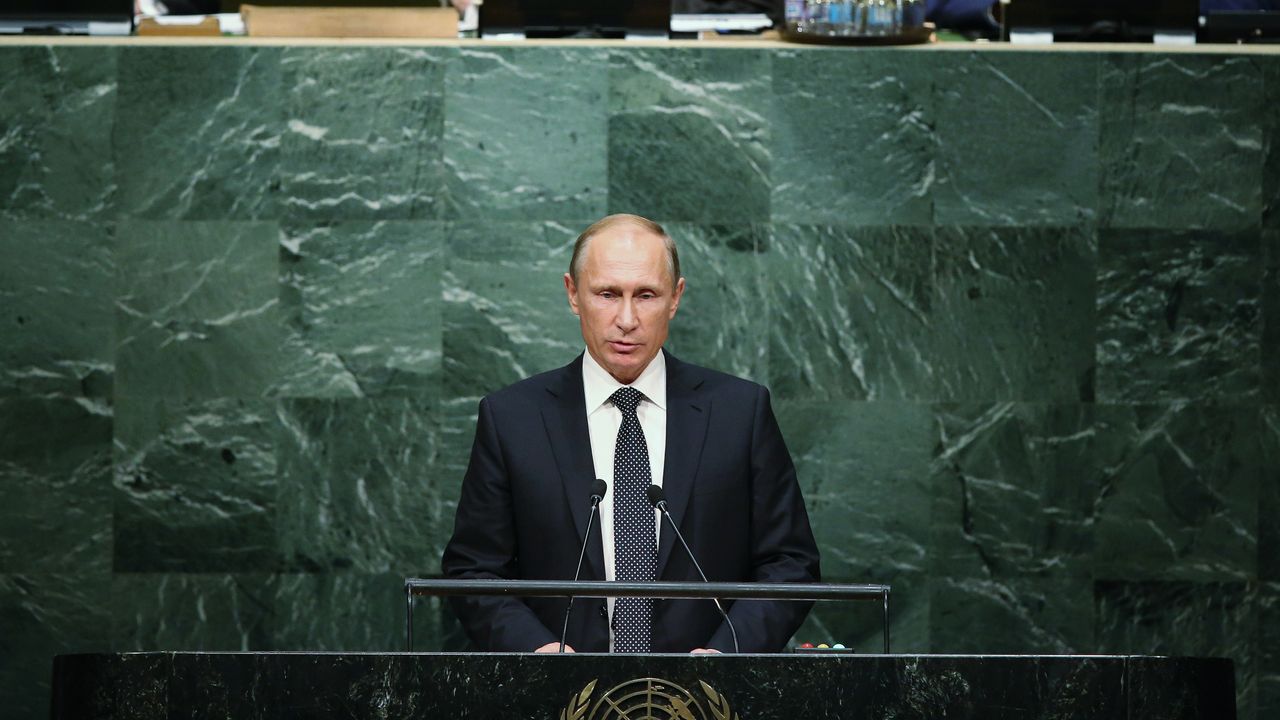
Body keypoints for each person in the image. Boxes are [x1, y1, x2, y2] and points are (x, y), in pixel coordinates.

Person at [441, 214, 820, 653]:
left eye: (646, 295)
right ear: (572, 294)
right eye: (607, 294)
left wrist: (727, 654)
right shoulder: (512, 418)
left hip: (707, 699)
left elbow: (789, 562)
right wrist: (539, 653)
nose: (626, 319)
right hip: (560, 698)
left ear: (675, 298)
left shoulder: (739, 412)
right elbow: (474, 571)